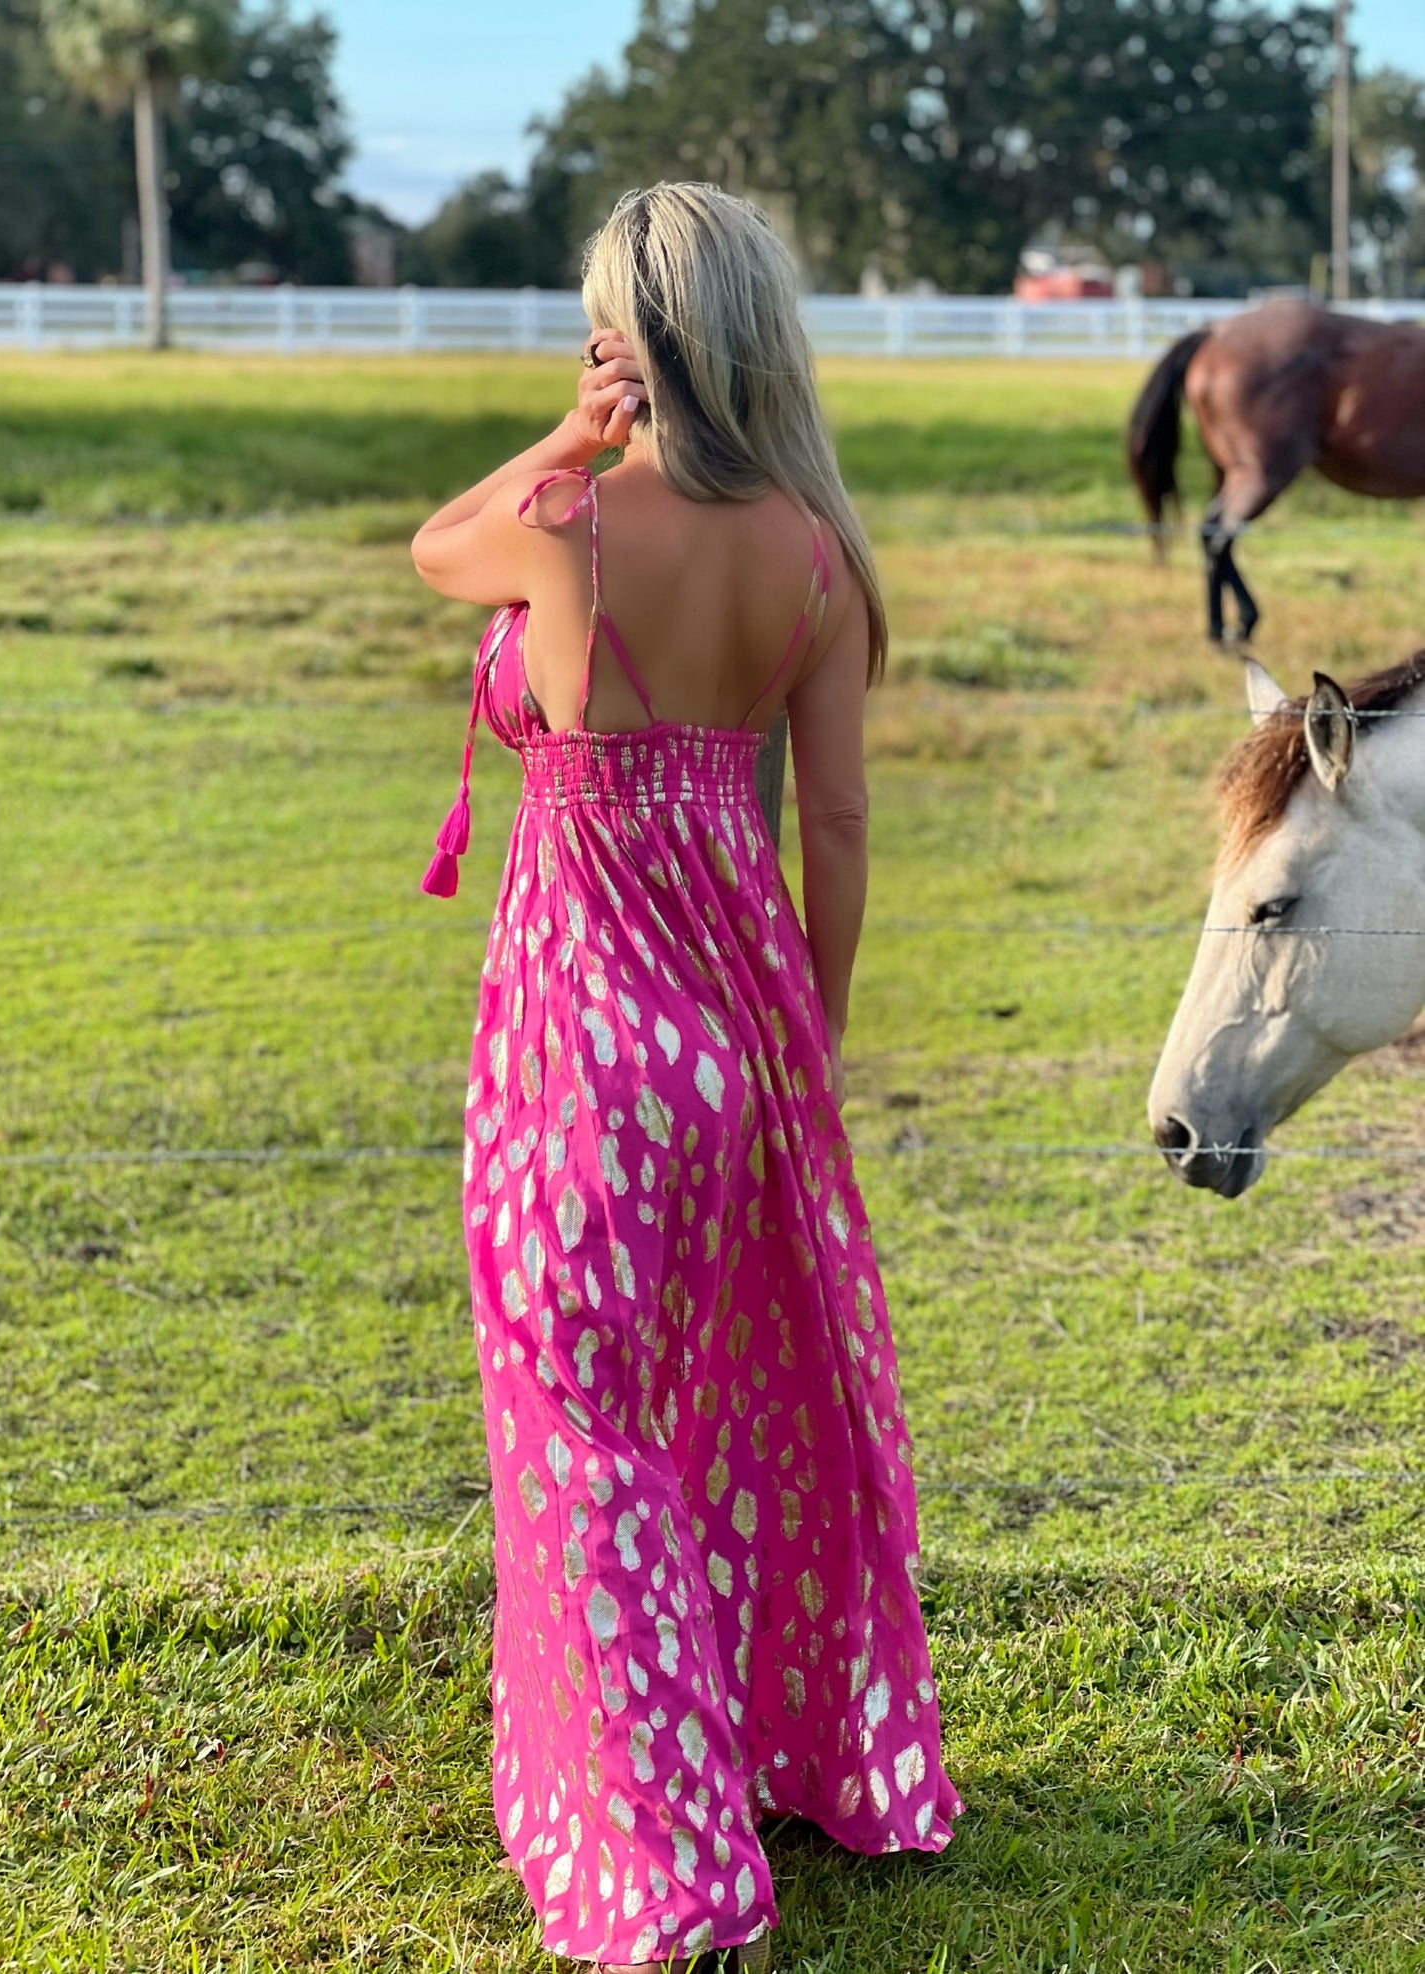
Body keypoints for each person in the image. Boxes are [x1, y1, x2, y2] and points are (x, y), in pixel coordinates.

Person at [412, 181, 961, 1974]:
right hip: (734, 1041)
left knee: (586, 1437)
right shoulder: (812, 547)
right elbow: (840, 825)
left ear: (627, 340)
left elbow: (434, 549)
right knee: (719, 1407)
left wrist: (564, 436)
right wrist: (811, 1040)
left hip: (578, 1036)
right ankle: (779, 1753)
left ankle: (658, 1858)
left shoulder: (563, 523)